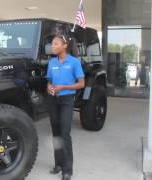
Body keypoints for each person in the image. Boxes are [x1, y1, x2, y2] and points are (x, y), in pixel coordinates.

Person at [46, 34, 85, 180]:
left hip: (67, 99)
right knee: (56, 133)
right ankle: (58, 164)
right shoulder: (52, 62)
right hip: (52, 99)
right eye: (52, 44)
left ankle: (67, 169)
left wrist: (64, 87)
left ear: (64, 46)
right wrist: (49, 87)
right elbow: (49, 80)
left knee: (64, 133)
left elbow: (81, 83)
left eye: (56, 44)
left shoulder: (74, 62)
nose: (52, 46)